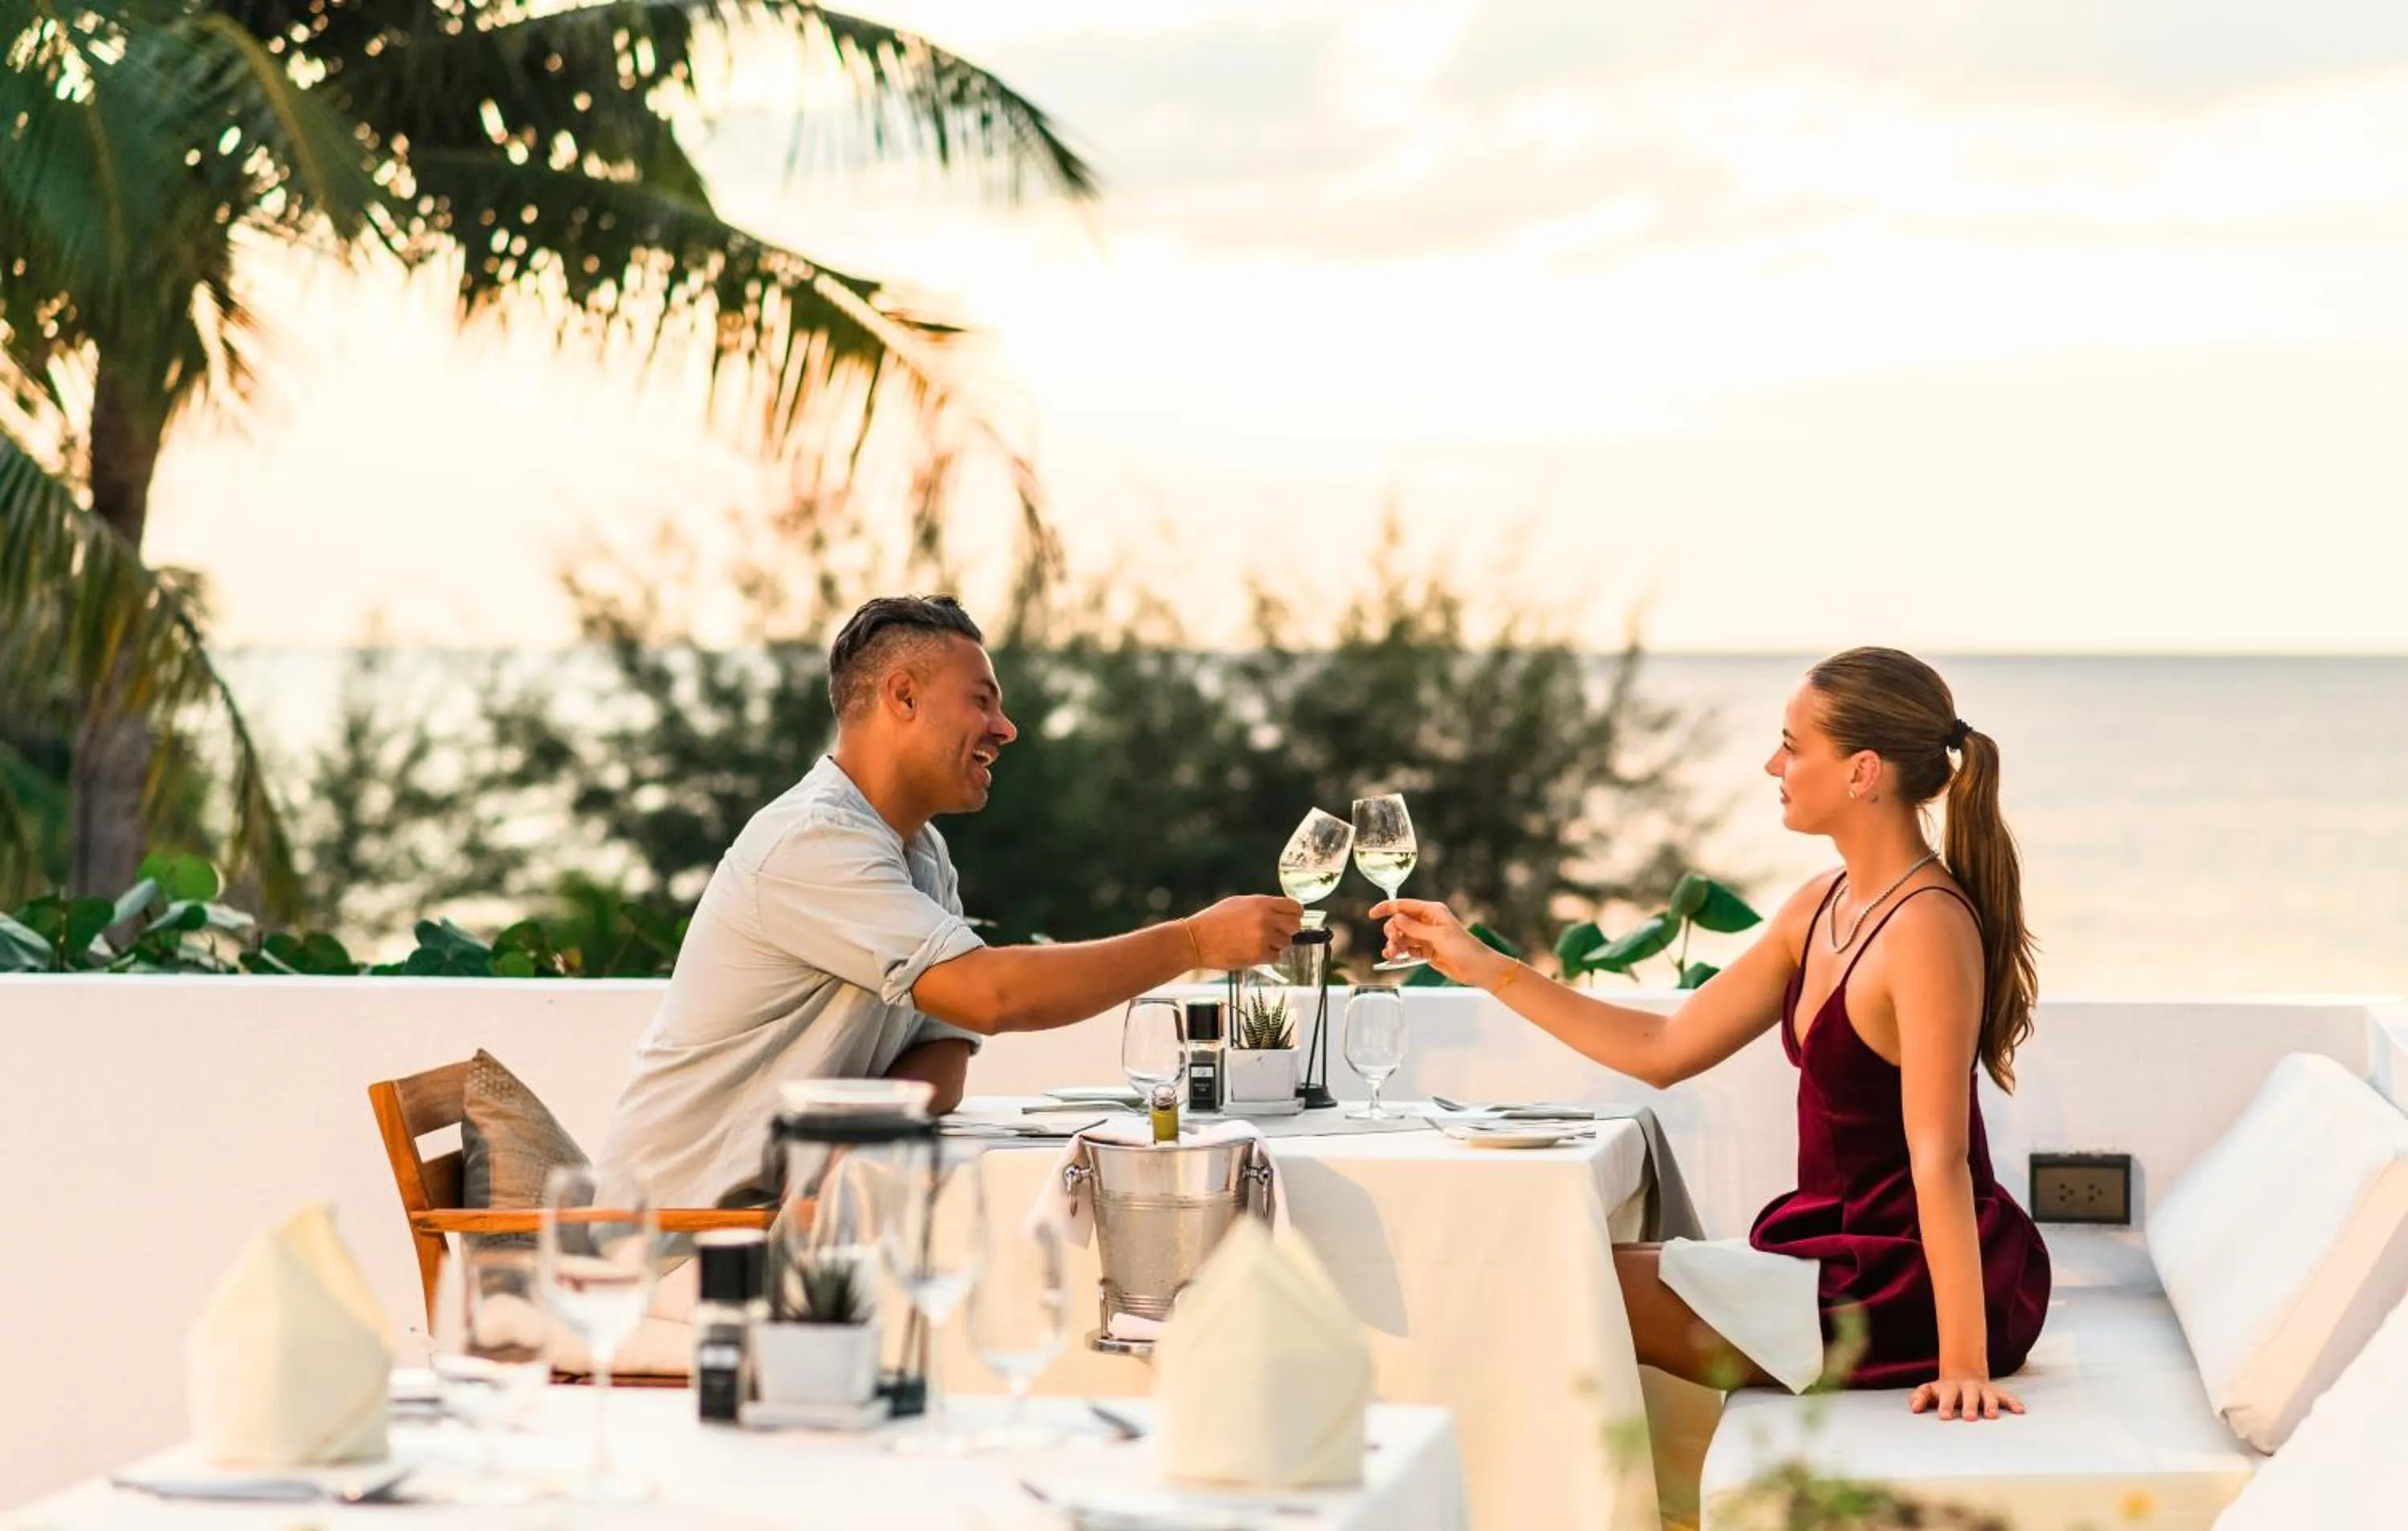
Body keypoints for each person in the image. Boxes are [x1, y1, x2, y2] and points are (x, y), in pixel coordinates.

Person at [1376, 647, 2050, 1422]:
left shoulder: (1925, 926)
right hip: (1828, 1259)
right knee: (1549, 1262)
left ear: (1863, 772)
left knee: (1558, 1276)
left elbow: (1941, 1159)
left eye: (1794, 747)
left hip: (1908, 1285)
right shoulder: (1819, 905)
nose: (1773, 765)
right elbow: (1663, 1051)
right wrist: (1482, 965)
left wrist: (1961, 1361)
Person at [600, 595, 1303, 1208]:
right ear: (902, 697)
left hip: (788, 1220)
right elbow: (988, 997)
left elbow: (945, 1062)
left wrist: (848, 1136)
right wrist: (1192, 944)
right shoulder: (812, 840)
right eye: (982, 700)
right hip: (680, 1246)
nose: (1006, 728)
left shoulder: (922, 852)